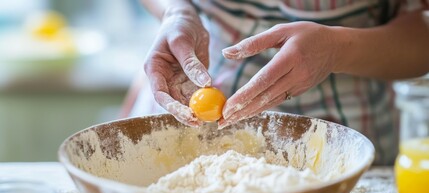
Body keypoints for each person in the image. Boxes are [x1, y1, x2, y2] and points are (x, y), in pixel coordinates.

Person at [123, 0, 429, 165]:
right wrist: (176, 11)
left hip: (339, 140)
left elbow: (422, 33)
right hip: (187, 100)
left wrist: (337, 49)